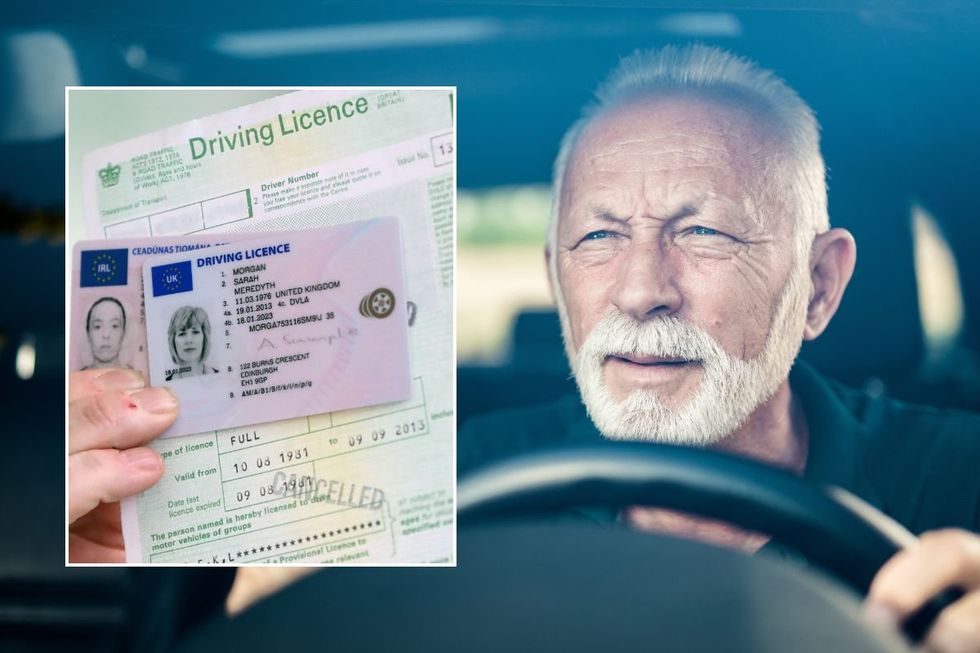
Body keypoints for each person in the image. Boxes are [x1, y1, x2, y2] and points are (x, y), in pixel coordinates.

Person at [459, 45, 980, 652]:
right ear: (556, 280)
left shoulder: (962, 480)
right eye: (600, 236)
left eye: (703, 233)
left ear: (819, 286)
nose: (640, 292)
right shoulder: (460, 483)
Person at [165, 306, 219, 380]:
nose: (189, 340)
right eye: (182, 334)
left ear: (204, 338)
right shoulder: (164, 385)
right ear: (173, 342)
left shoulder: (220, 376)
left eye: (195, 332)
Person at [82, 297, 129, 370]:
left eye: (114, 326)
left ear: (123, 334)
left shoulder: (138, 379)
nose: (106, 335)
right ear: (88, 334)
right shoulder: (73, 380)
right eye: (98, 327)